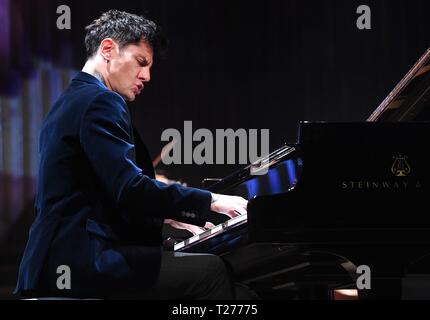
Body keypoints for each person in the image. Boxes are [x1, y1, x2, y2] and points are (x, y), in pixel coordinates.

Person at [15, 10, 249, 299]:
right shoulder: (101, 101)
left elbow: (96, 193)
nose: (147, 76)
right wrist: (212, 200)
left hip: (56, 261)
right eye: (141, 62)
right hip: (85, 260)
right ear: (108, 49)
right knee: (212, 273)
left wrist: (164, 217)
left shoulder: (69, 100)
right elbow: (129, 188)